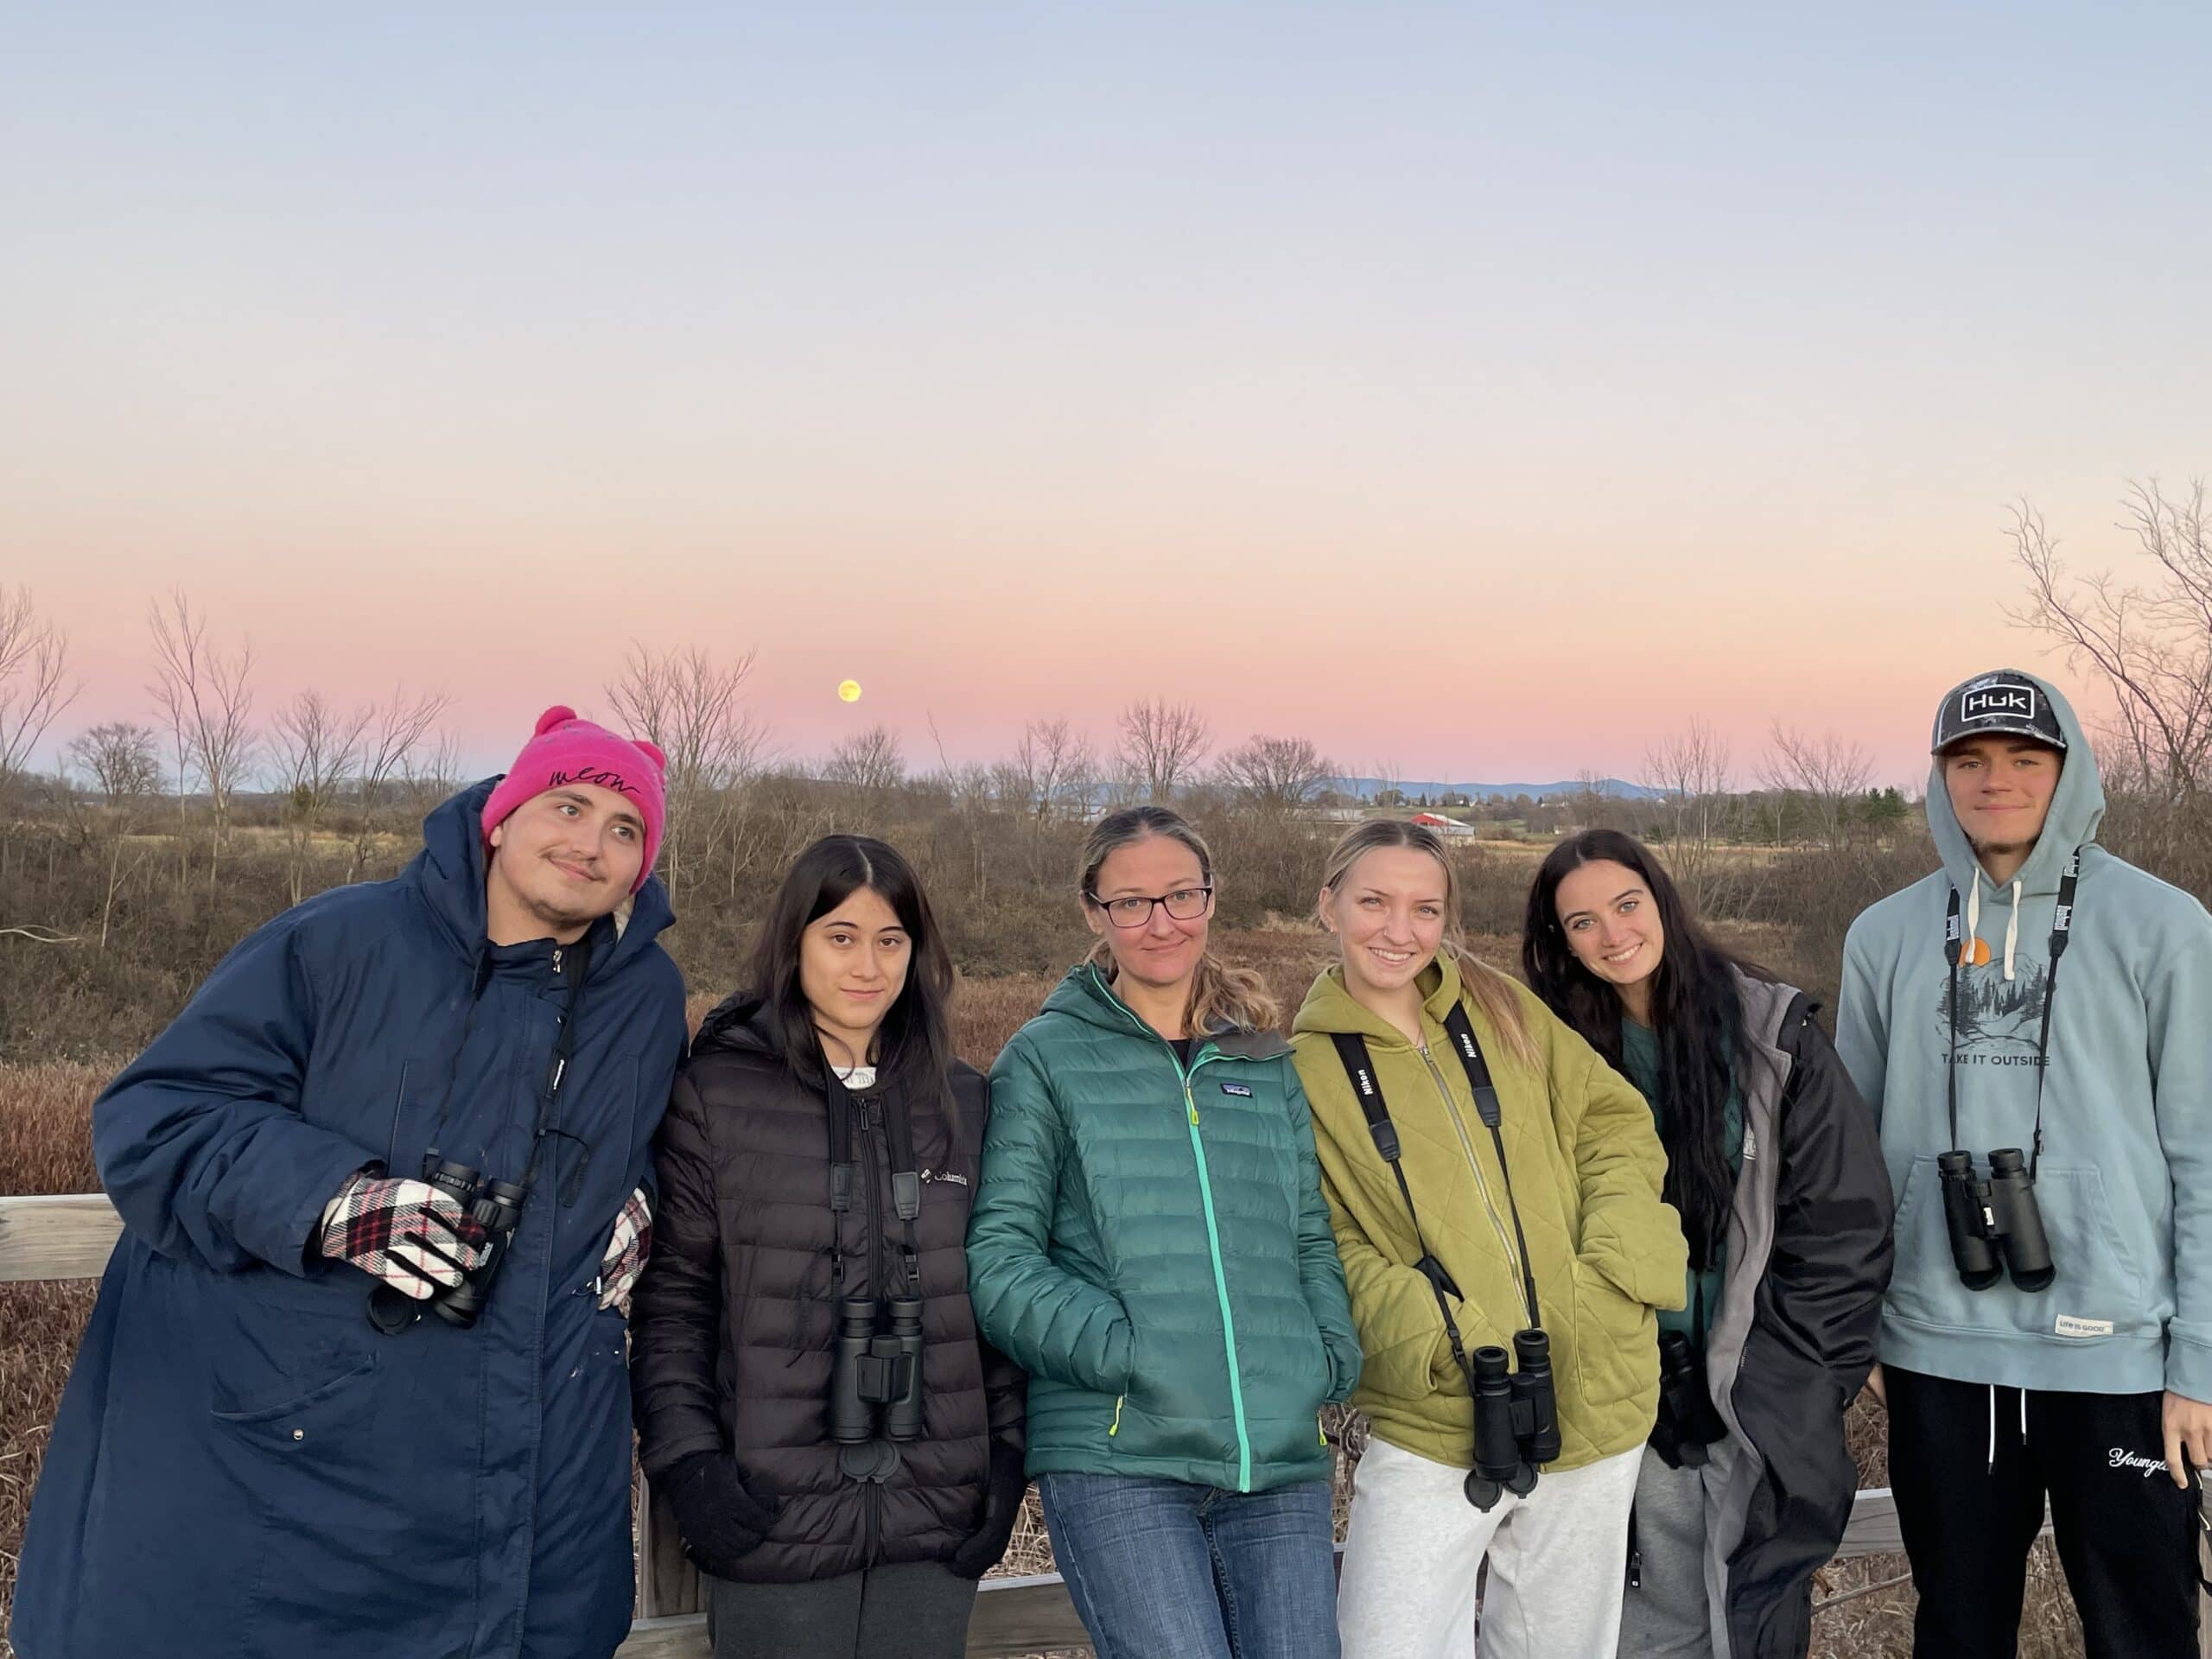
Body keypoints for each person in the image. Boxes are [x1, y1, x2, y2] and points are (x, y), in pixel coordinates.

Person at [10, 705, 689, 1659]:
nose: (591, 844)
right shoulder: (341, 942)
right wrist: (334, 1201)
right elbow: (158, 1118)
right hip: (305, 1461)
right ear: (502, 815)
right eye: (567, 807)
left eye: (625, 831)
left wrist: (647, 1201)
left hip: (535, 1463)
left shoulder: (645, 997)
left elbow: (639, 1133)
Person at [1836, 668, 2212, 1659]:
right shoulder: (1881, 936)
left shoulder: (2167, 929)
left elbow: (2204, 1156)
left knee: (2144, 1632)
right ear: (1939, 777)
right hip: (1937, 1348)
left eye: (2022, 756)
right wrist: (1860, 1326)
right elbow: (1850, 1165)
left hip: (2117, 1352)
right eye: (1968, 758)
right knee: (1958, 1629)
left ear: (2067, 768)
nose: (1994, 778)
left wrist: (2200, 1365)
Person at [965, 804, 1362, 1659]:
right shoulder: (1045, 1057)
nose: (1161, 923)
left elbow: (1307, 1235)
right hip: (1119, 1458)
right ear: (1093, 913)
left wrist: (1323, 1354)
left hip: (1275, 1458)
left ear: (1210, 899)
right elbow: (1000, 1259)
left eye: (1181, 896)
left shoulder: (1262, 1058)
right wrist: (1130, 1354)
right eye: (1132, 902)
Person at [1288, 817, 1688, 1659]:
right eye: (1373, 902)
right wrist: (1440, 1337)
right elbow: (1315, 1242)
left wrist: (1608, 1280)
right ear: (1328, 904)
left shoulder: (1504, 1010)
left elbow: (1612, 1124)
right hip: (1434, 1413)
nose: (1399, 931)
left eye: (1424, 909)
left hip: (1590, 1392)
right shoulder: (1297, 1070)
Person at [629, 835, 1026, 1658]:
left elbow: (993, 1293)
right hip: (772, 1514)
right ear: (795, 942)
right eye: (840, 936)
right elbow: (675, 1300)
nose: (868, 967)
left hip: (935, 1513)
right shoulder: (716, 1095)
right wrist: (691, 1464)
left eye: (891, 941)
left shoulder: (962, 1099)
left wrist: (1007, 1457)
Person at [1523, 829, 1893, 1658]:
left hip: (1755, 1383)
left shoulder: (1770, 1033)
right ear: (1558, 941)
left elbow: (1841, 1219)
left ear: (1661, 900)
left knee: (1749, 1613)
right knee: (1650, 1624)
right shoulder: (1546, 1053)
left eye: (1627, 905)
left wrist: (1800, 1374)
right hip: (1624, 1385)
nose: (1613, 935)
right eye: (1582, 922)